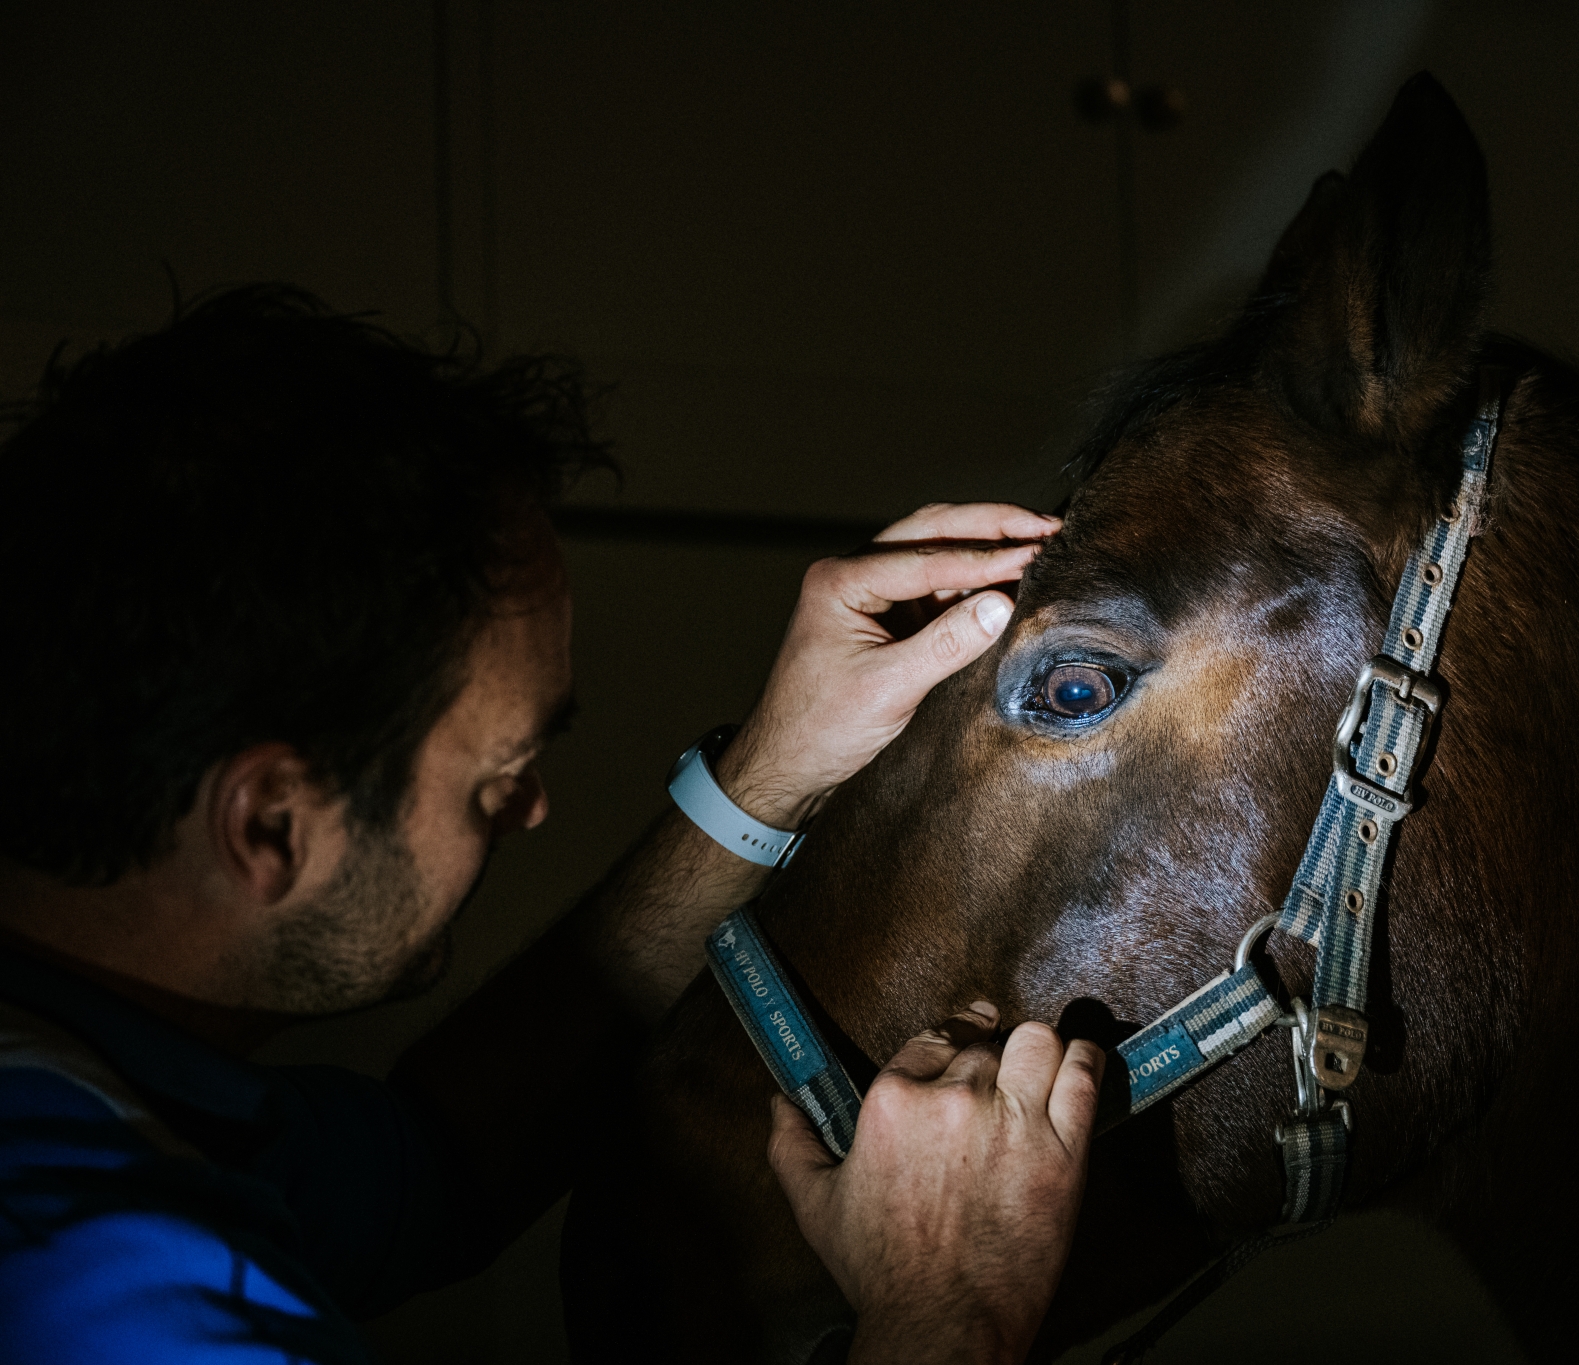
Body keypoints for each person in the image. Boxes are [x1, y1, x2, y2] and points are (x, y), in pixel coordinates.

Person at [0, 285, 1103, 1364]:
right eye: (498, 780)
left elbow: (435, 1169)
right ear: (272, 827)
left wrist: (770, 774)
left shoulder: (78, 1080)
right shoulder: (134, 1308)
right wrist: (947, 1316)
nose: (532, 812)